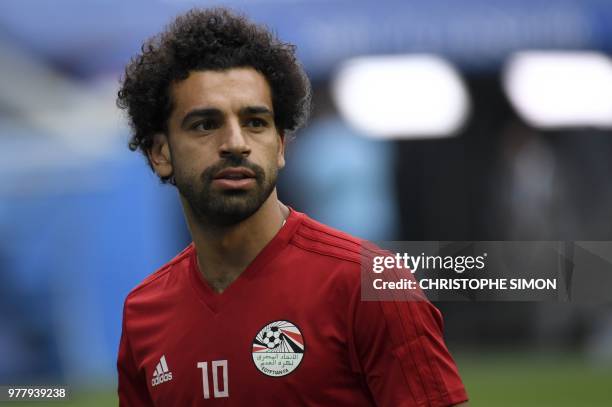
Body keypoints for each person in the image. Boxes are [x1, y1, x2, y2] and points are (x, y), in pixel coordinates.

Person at [116, 7, 469, 406]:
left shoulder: (374, 285)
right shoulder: (143, 313)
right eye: (205, 124)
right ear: (161, 153)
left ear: (281, 146)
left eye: (255, 122)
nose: (235, 142)